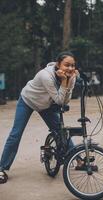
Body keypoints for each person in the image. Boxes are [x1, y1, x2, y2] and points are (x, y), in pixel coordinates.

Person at [0, 51, 79, 184]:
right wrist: (65, 82)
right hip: (28, 100)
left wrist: (68, 81)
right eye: (67, 65)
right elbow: (60, 100)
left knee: (61, 130)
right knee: (16, 134)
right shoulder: (45, 75)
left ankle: (78, 159)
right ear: (58, 64)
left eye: (73, 65)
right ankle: (2, 168)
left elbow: (65, 101)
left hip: (46, 104)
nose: (70, 68)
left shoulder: (71, 77)